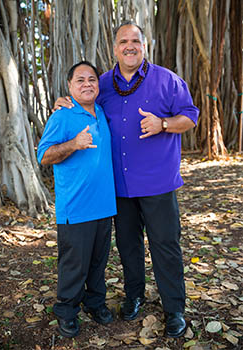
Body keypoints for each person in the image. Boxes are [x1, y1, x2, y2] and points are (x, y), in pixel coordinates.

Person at [54, 21, 199, 338]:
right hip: (119, 188)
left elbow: (190, 116)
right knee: (128, 247)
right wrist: (62, 104)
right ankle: (134, 296)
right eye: (123, 41)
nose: (130, 46)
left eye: (136, 40)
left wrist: (163, 124)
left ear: (144, 45)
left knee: (165, 246)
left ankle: (174, 309)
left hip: (158, 184)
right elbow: (80, 105)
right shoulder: (102, 83)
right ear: (115, 47)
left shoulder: (167, 80)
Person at [37, 61, 117, 338]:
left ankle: (95, 303)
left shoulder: (102, 112)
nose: (87, 84)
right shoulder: (62, 116)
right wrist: (73, 144)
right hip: (76, 206)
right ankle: (67, 311)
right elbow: (44, 156)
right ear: (70, 86)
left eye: (92, 79)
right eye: (80, 80)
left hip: (104, 205)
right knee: (74, 264)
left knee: (98, 262)